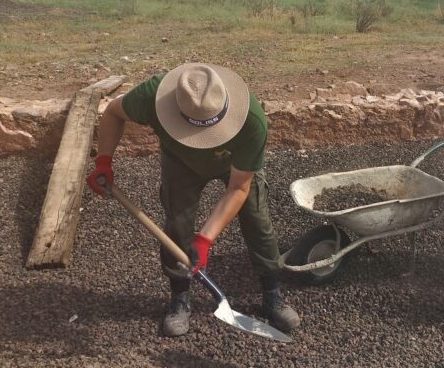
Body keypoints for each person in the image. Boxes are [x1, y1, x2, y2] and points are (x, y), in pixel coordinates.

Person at [86, 62, 300, 336]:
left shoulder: (251, 120)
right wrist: (103, 161)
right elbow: (113, 113)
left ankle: (272, 294)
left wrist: (205, 240)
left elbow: (238, 188)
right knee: (178, 225)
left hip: (234, 163)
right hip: (180, 162)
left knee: (257, 219)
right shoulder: (152, 96)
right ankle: (180, 298)